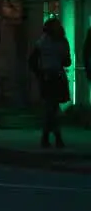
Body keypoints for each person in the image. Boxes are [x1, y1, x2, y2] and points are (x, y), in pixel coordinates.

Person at [29, 18, 71, 149]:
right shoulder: (60, 42)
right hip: (55, 76)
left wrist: (39, 73)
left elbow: (32, 61)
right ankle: (54, 138)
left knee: (51, 108)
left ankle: (48, 137)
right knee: (52, 108)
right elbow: (67, 61)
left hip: (49, 76)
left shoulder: (41, 42)